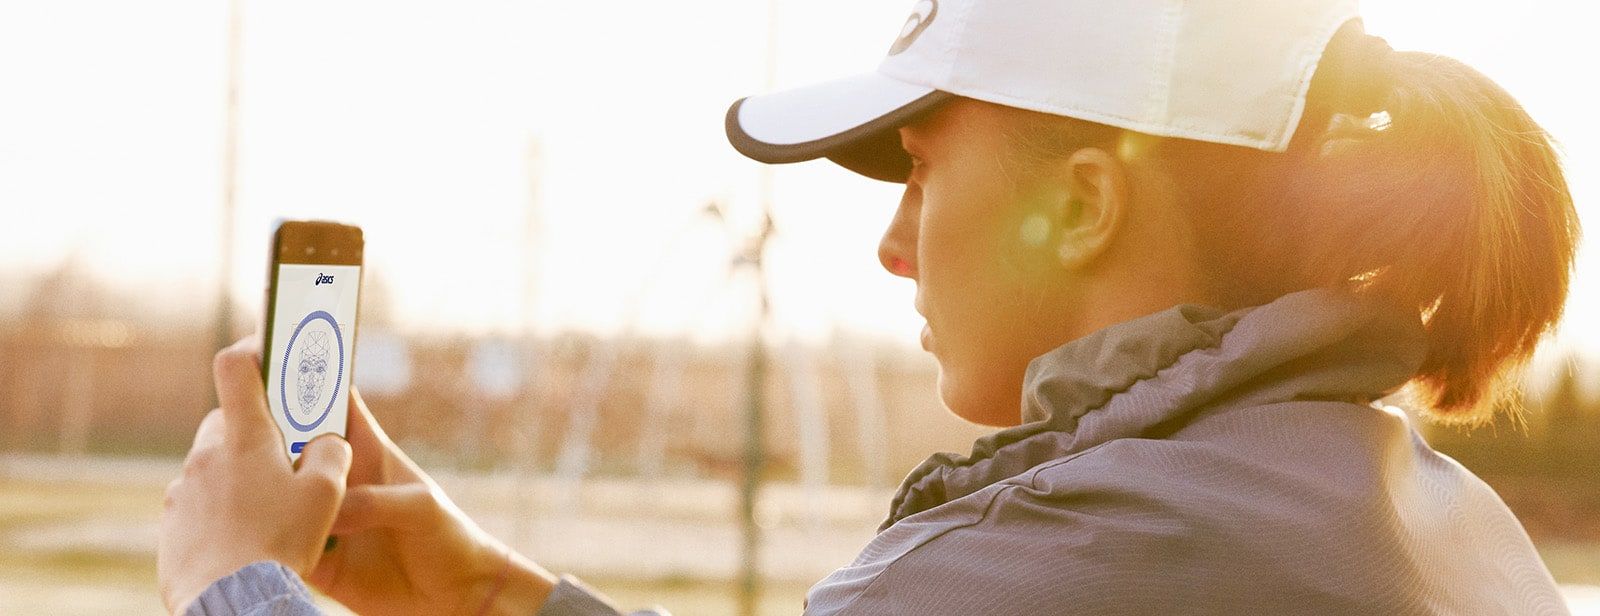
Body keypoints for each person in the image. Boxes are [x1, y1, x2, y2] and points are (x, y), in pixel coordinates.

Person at [157, 0, 1582, 614]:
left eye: (920, 170)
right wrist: (494, 594)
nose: (894, 247)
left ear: (1087, 202)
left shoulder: (1058, 554)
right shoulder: (1413, 516)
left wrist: (233, 582)